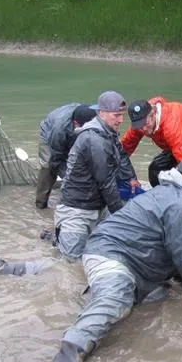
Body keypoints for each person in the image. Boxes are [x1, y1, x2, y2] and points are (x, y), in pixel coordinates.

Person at [41, 157, 182, 362]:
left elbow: (172, 253)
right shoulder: (180, 204)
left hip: (120, 257)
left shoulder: (166, 192)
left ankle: (92, 293)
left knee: (158, 294)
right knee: (117, 298)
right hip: (110, 255)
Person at [54, 91, 139, 261]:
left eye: (122, 115)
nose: (121, 120)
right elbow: (106, 183)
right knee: (69, 265)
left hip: (97, 207)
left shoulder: (108, 132)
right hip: (76, 212)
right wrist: (122, 218)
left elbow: (121, 154)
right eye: (116, 115)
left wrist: (130, 177)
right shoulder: (94, 140)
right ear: (102, 112)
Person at [121, 97, 182, 186]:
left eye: (146, 124)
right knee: (155, 168)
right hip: (179, 138)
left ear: (153, 114)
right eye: (139, 126)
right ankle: (160, 194)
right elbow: (125, 148)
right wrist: (123, 172)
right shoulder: (141, 121)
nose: (144, 129)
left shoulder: (170, 125)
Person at [35, 103, 97, 209]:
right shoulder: (59, 129)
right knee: (48, 167)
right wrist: (69, 177)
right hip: (49, 137)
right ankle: (41, 203)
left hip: (72, 133)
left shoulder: (93, 116)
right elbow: (56, 158)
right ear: (76, 123)